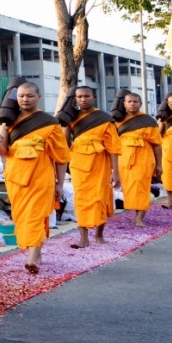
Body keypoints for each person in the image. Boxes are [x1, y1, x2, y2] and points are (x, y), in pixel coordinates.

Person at [0, 79, 70, 273]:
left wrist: (59, 184)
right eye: (21, 96)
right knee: (22, 217)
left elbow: (60, 158)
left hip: (40, 178)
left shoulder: (49, 123)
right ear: (15, 98)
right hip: (16, 178)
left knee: (35, 217)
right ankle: (36, 252)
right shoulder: (8, 121)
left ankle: (32, 259)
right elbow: (3, 151)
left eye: (29, 96)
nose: (25, 99)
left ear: (39, 97)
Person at [61, 84, 120, 248]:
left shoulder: (104, 118)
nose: (83, 99)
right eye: (79, 97)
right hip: (79, 163)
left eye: (86, 96)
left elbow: (113, 147)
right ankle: (83, 238)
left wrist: (116, 172)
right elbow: (65, 142)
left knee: (100, 198)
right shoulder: (71, 117)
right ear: (75, 99)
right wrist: (64, 121)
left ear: (94, 97)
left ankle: (99, 234)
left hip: (100, 163)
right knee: (81, 199)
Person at [112, 91, 161, 224]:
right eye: (130, 102)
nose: (132, 104)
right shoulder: (118, 121)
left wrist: (159, 164)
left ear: (140, 104)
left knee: (142, 187)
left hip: (143, 160)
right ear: (124, 104)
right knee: (129, 188)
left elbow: (157, 144)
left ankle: (139, 217)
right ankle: (135, 212)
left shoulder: (148, 121)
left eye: (135, 102)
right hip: (124, 160)